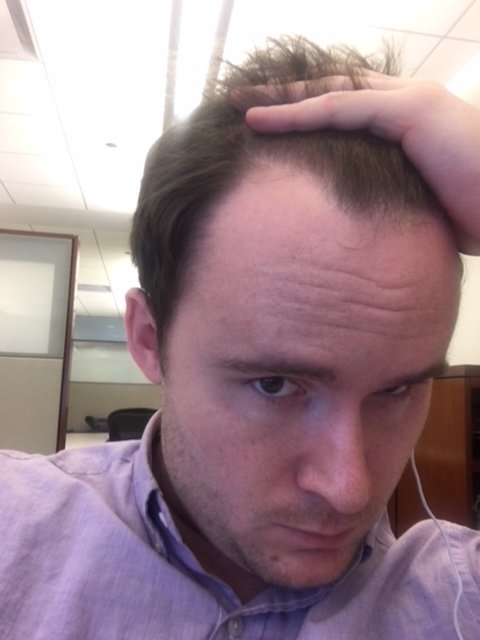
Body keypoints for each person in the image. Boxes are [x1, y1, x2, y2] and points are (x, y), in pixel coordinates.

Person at [0, 36, 479, 639]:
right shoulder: (14, 532)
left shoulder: (457, 596)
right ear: (148, 339)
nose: (348, 489)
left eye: (397, 390)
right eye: (274, 384)